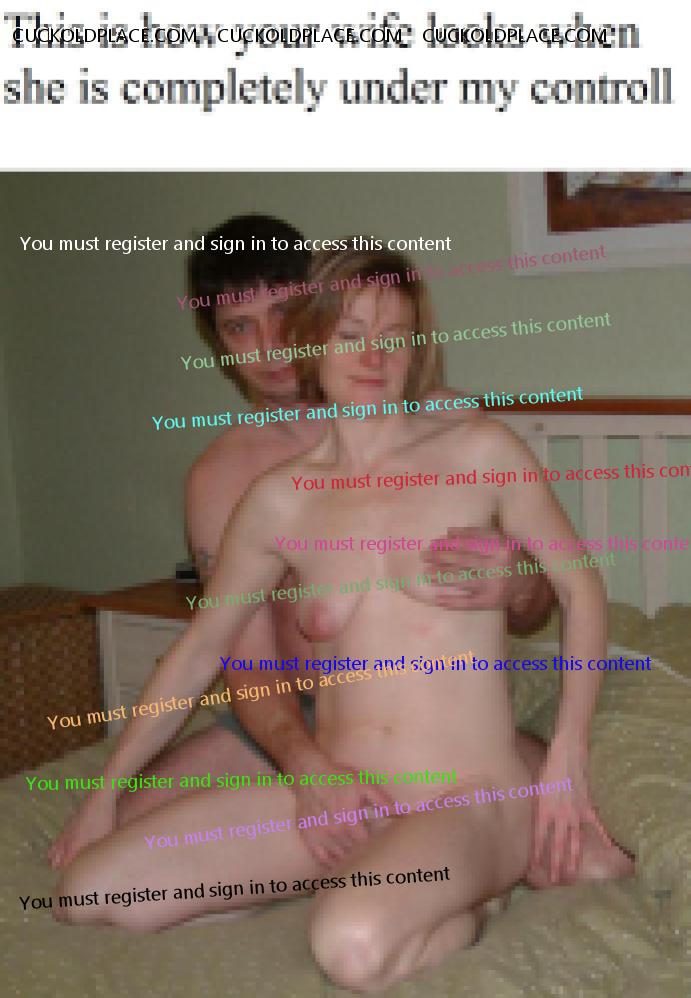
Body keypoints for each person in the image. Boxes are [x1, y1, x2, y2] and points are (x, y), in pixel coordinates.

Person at [51, 247, 632, 992]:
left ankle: (471, 902)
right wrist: (105, 795)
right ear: (311, 343)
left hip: (471, 795)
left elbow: (580, 588)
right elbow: (199, 653)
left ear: (417, 347)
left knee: (350, 945)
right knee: (89, 895)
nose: (373, 357)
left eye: (395, 336)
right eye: (350, 334)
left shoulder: (478, 449)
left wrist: (565, 756)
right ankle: (380, 883)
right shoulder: (279, 499)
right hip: (346, 798)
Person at [86, 214, 554, 829]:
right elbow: (243, 659)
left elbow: (540, 604)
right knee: (130, 827)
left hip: (436, 714)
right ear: (218, 345)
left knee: (578, 850)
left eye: (283, 313)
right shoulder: (221, 479)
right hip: (292, 721)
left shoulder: (439, 427)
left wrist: (520, 582)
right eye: (240, 327)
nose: (270, 345)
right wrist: (306, 765)